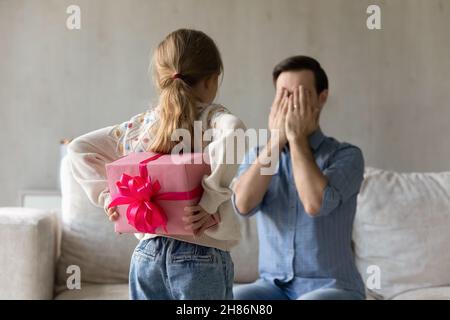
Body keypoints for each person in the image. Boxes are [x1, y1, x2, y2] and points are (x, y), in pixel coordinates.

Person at [68, 29, 246, 300]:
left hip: (146, 255)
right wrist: (210, 199)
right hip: (201, 253)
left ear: (160, 78)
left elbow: (79, 149)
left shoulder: (139, 126)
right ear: (212, 80)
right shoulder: (213, 118)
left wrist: (110, 196)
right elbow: (235, 132)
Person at [232, 56, 366, 300]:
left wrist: (296, 139)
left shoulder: (346, 155)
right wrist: (275, 141)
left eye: (300, 94)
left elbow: (315, 204)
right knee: (232, 299)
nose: (290, 104)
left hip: (334, 288)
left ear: (321, 98)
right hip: (272, 286)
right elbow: (243, 204)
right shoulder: (258, 155)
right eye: (283, 95)